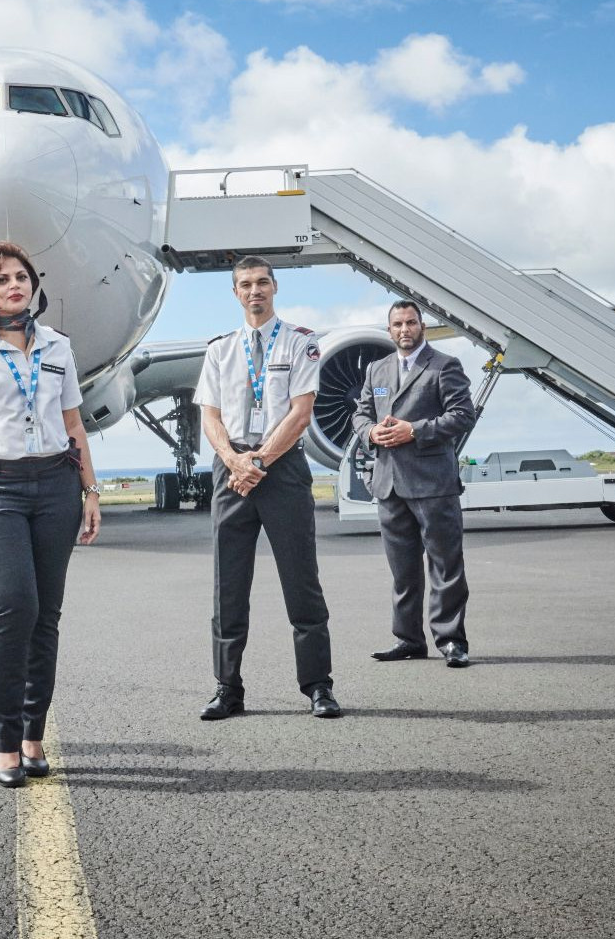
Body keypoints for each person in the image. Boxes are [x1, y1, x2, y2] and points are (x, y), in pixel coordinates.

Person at [0, 242, 102, 788]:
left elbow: (74, 424)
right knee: (13, 606)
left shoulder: (59, 346)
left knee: (46, 615)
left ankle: (34, 736)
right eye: (4, 279)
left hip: (56, 485)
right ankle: (5, 742)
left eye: (22, 277)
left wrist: (91, 491)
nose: (16, 285)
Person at [195, 256, 343, 721]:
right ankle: (227, 688)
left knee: (301, 583)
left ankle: (318, 686)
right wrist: (236, 462)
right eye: (245, 284)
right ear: (235, 293)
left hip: (281, 471)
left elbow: (301, 412)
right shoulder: (219, 350)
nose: (254, 291)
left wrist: (257, 461)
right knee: (228, 588)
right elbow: (210, 417)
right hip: (232, 471)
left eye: (262, 282)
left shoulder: (301, 342)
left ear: (274, 287)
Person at [352, 299, 479, 667]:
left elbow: (462, 415)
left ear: (421, 326)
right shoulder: (377, 369)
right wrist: (371, 431)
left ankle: (451, 640)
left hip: (433, 484)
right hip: (389, 484)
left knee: (445, 566)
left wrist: (414, 431)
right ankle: (408, 639)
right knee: (402, 570)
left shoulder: (444, 366)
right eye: (397, 325)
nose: (404, 330)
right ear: (389, 329)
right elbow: (361, 414)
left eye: (410, 323)